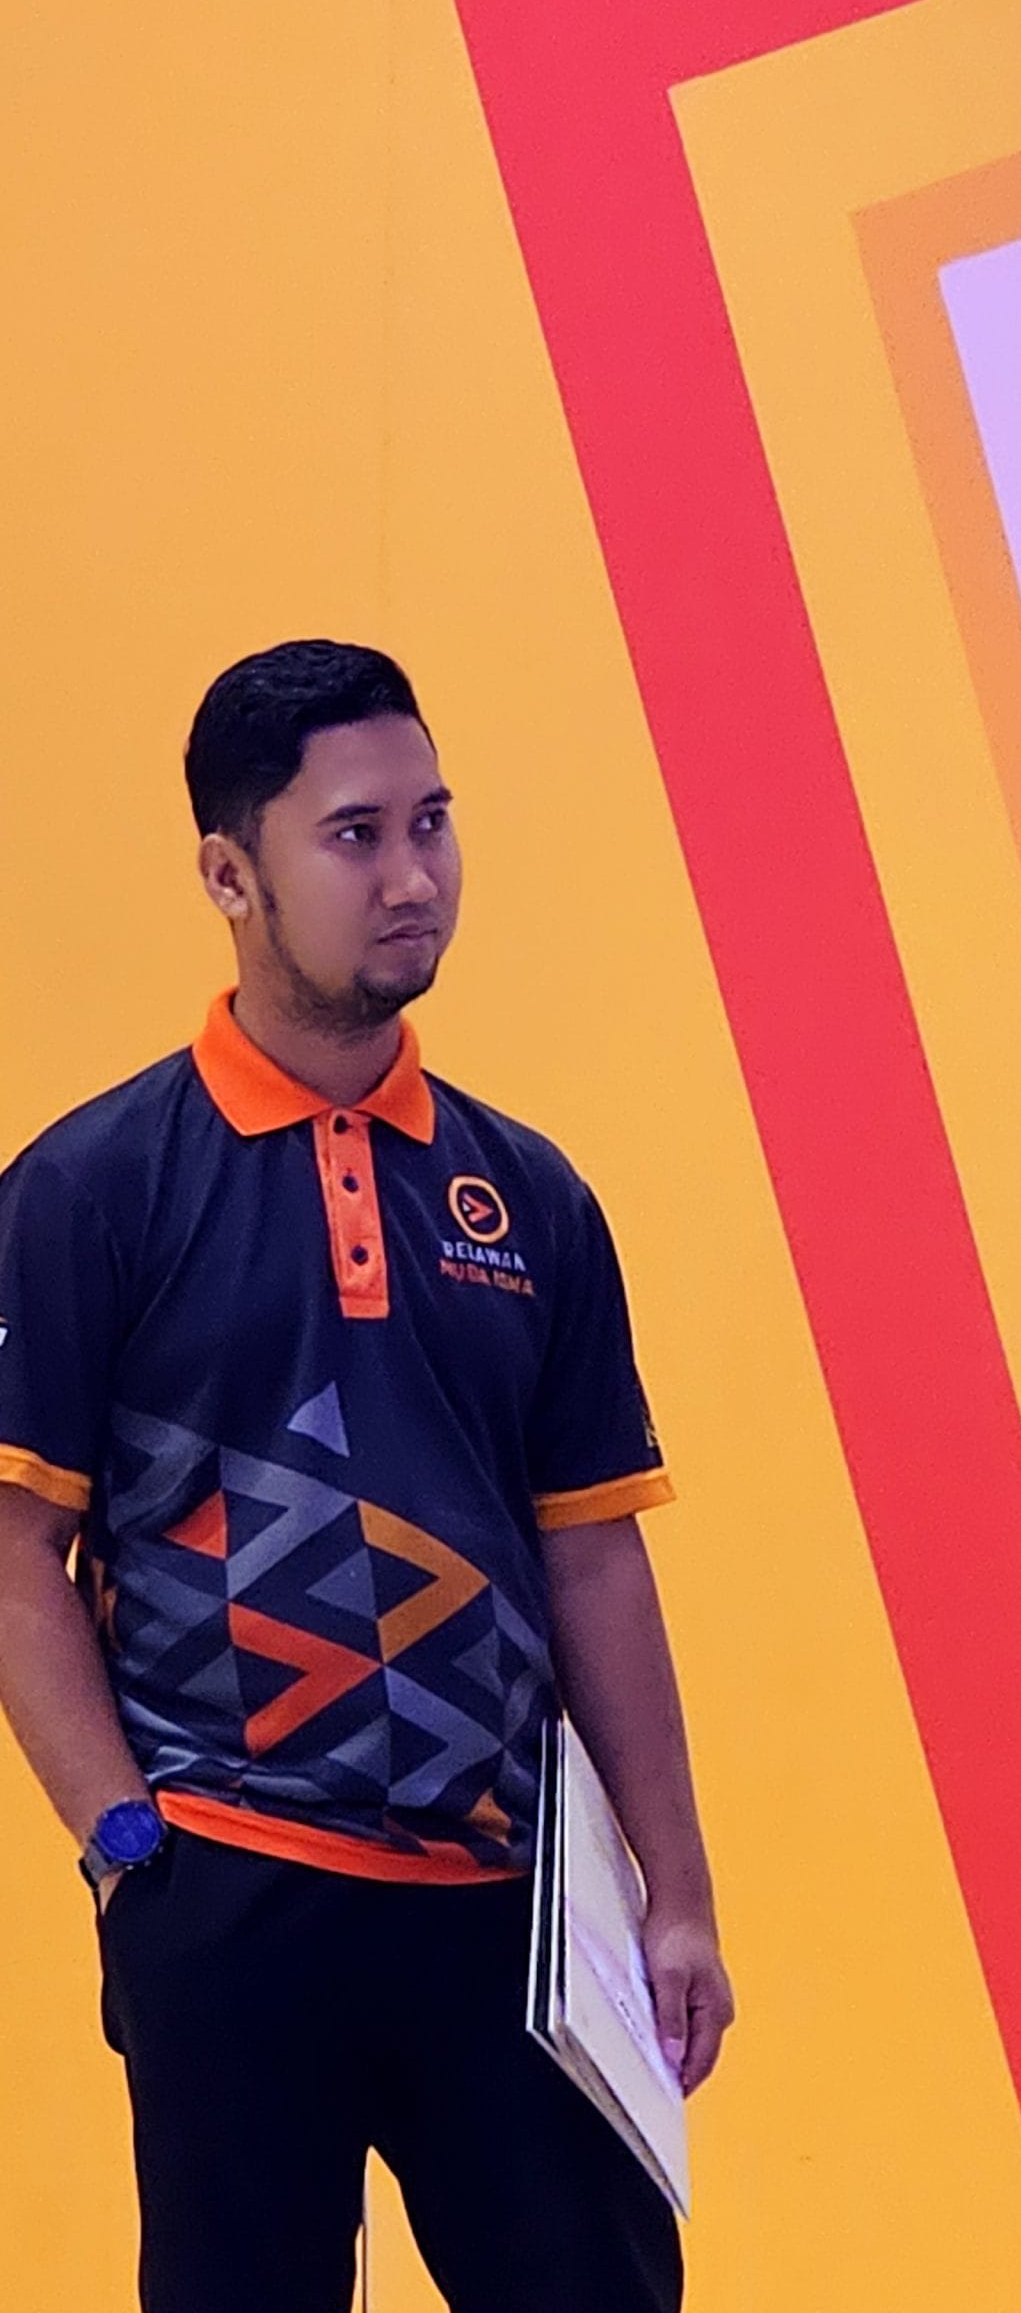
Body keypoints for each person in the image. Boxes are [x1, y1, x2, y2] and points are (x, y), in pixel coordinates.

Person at [0, 640, 731, 2313]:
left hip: (511, 1913)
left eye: (433, 822)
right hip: (231, 1898)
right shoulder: (91, 1186)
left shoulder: (529, 1196)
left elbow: (594, 1560)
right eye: (355, 835)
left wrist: (675, 1893)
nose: (413, 877)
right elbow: (15, 1548)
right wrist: (128, 1848)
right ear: (228, 873)